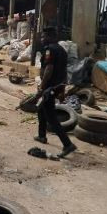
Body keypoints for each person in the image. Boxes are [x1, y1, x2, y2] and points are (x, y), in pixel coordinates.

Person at [34, 27, 77, 157]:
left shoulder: (50, 50)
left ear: (50, 36)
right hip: (56, 86)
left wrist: (42, 87)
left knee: (51, 117)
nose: (41, 39)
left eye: (43, 36)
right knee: (41, 109)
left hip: (49, 87)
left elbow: (49, 69)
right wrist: (62, 89)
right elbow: (64, 71)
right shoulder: (62, 51)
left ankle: (68, 144)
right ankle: (42, 136)